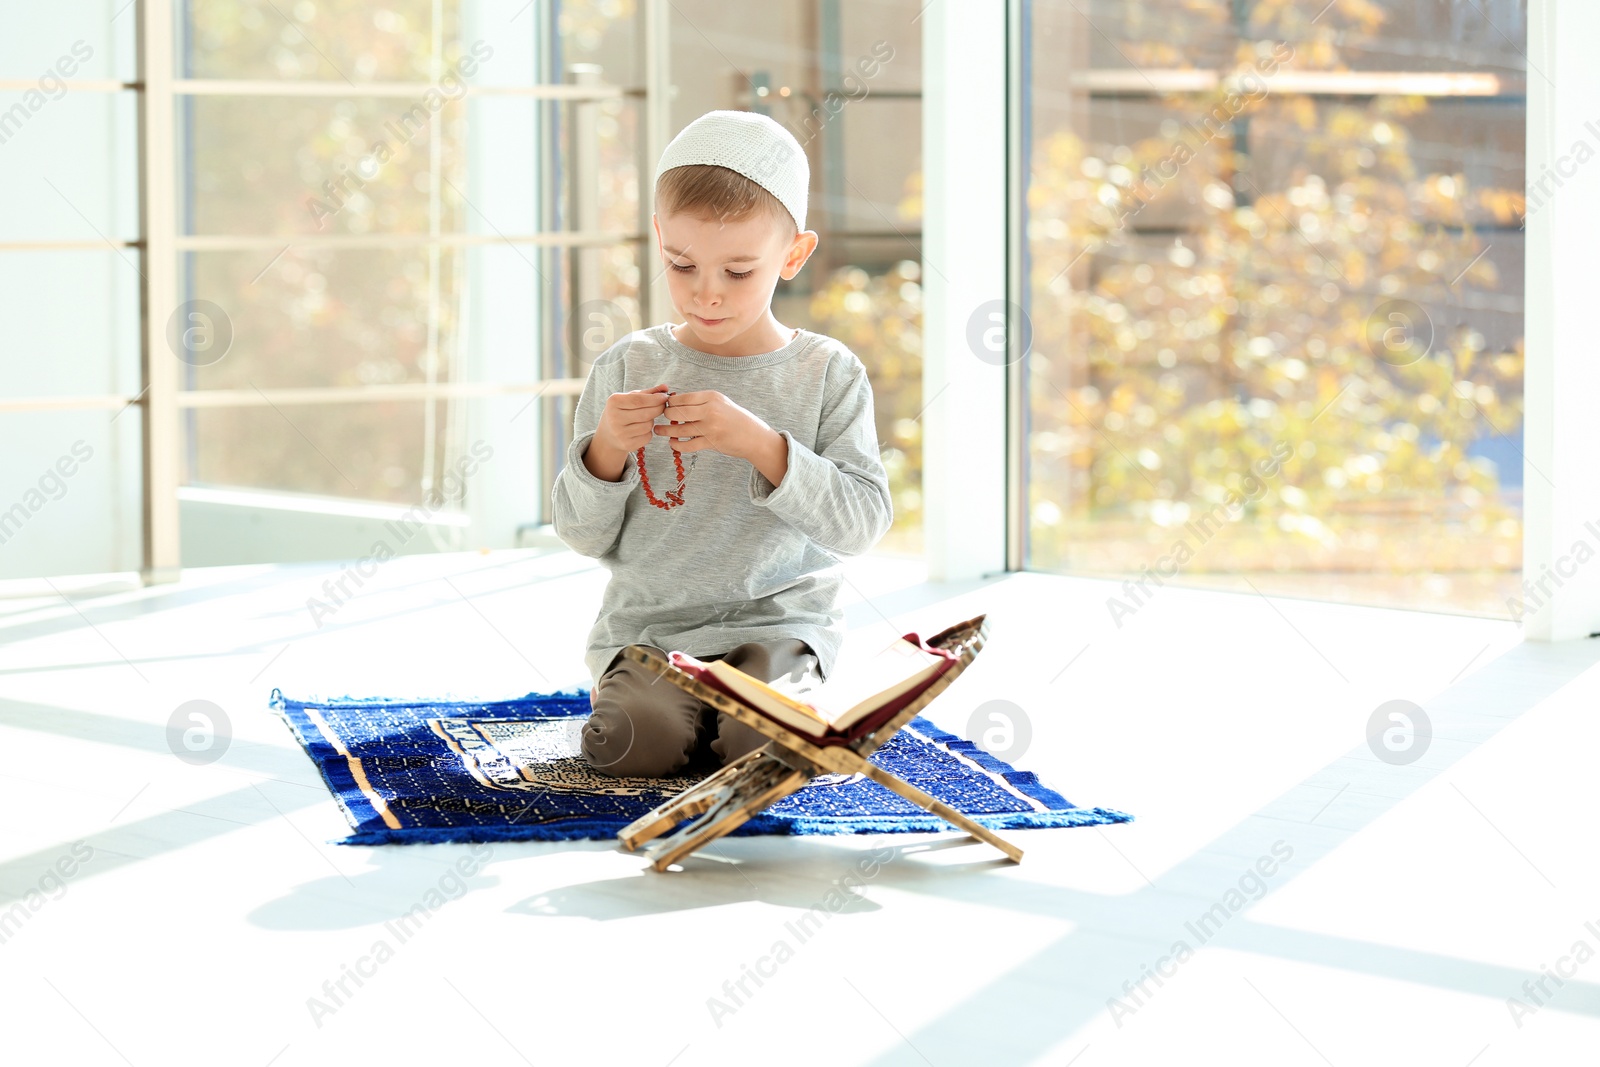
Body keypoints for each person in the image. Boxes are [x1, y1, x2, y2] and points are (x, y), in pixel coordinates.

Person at [551, 109, 894, 777]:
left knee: (764, 750)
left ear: (793, 254)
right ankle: (673, 709)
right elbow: (580, 533)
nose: (706, 294)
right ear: (659, 239)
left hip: (779, 628)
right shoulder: (624, 369)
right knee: (632, 748)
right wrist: (605, 454)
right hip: (651, 633)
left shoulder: (827, 373)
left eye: (738, 271)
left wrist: (765, 446)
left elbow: (861, 525)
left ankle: (761, 713)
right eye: (682, 265)